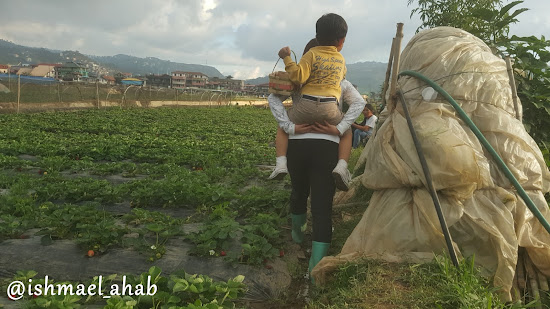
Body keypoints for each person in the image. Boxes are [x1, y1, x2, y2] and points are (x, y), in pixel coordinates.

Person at [268, 56, 365, 284]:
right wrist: (339, 127)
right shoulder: (339, 80)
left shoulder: (297, 79)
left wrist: (289, 125)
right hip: (328, 146)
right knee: (322, 208)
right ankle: (316, 269)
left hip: (298, 144)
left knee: (299, 192)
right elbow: (358, 103)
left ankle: (297, 235)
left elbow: (273, 97)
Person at [269, 13, 352, 190]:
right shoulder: (341, 59)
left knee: (283, 128)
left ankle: (281, 163)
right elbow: (341, 78)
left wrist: (286, 58)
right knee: (347, 132)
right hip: (330, 108)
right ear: (341, 41)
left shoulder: (312, 54)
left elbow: (298, 77)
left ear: (317, 36)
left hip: (305, 105)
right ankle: (342, 167)